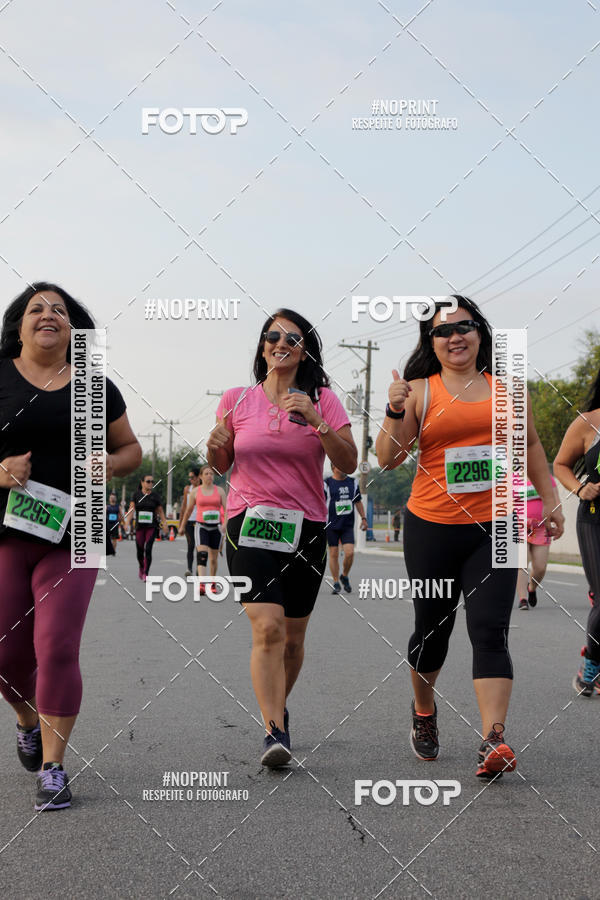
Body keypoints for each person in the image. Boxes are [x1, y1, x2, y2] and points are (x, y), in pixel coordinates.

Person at [376, 296, 564, 778]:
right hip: (432, 528)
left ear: (481, 332)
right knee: (432, 632)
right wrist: (394, 410)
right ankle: (423, 712)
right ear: (431, 342)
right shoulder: (418, 391)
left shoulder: (509, 391)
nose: (455, 336)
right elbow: (388, 459)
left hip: (497, 526)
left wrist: (551, 501)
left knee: (489, 630)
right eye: (443, 331)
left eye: (464, 326)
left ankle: (493, 739)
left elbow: (533, 445)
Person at [0, 282, 141, 810]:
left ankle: (54, 768)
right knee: (7, 654)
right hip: (6, 532)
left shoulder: (94, 387)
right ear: (19, 324)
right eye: (36, 308)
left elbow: (130, 449)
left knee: (56, 646)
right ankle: (26, 717)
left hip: (76, 530)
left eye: (59, 310)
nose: (48, 315)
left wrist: (107, 462)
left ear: (73, 329)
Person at [207, 309, 357, 766]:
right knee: (267, 628)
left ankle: (279, 707)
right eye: (272, 335)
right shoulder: (236, 399)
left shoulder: (324, 400)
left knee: (292, 638)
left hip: (307, 525)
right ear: (262, 345)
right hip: (248, 523)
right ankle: (274, 729)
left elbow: (347, 463)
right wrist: (215, 446)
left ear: (305, 348)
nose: (280, 342)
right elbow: (220, 466)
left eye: (291, 337)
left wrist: (317, 420)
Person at [554, 367, 600, 696]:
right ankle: (592, 666)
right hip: (596, 519)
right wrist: (579, 489)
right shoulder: (588, 423)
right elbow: (560, 464)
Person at [179, 464, 226, 593]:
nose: (209, 476)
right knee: (202, 555)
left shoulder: (220, 491)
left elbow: (227, 511)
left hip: (216, 527)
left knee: (213, 559)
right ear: (200, 476)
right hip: (201, 526)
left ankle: (212, 582)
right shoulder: (195, 492)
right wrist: (182, 525)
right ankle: (201, 584)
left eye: (211, 474)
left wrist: (225, 525)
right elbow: (188, 511)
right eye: (206, 474)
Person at [516, 476, 560, 609]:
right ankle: (523, 599)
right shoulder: (511, 479)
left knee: (540, 568)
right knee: (522, 562)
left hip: (541, 527)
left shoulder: (547, 479)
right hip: (519, 526)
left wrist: (557, 520)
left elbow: (556, 501)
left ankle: (532, 588)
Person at [324, 465, 367, 593]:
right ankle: (336, 582)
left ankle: (345, 575)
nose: (343, 467)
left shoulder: (352, 482)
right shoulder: (326, 483)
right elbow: (320, 502)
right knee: (333, 553)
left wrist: (364, 518)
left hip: (347, 525)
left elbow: (358, 501)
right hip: (331, 525)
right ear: (333, 468)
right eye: (339, 464)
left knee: (349, 553)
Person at [128, 476, 167, 581]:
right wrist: (127, 522)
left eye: (152, 481)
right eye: (148, 481)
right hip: (140, 527)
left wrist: (165, 523)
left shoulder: (155, 496)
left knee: (148, 549)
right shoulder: (136, 495)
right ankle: (141, 566)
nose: (150, 483)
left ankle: (146, 573)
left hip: (151, 527)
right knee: (139, 551)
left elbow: (160, 511)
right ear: (142, 482)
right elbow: (131, 510)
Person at [179, 467, 200, 576]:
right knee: (191, 544)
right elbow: (184, 507)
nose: (190, 480)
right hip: (189, 520)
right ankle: (189, 569)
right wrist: (180, 524)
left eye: (192, 477)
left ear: (198, 478)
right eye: (190, 478)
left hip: (200, 521)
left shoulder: (203, 489)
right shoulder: (187, 489)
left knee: (199, 546)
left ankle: (199, 568)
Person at [106, 491, 125, 557]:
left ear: (116, 499)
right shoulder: (106, 507)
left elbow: (121, 515)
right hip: (108, 525)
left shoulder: (118, 507)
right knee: (107, 538)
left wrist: (124, 524)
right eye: (111, 498)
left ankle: (113, 551)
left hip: (115, 524)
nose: (112, 499)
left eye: (114, 498)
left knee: (114, 539)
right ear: (109, 499)